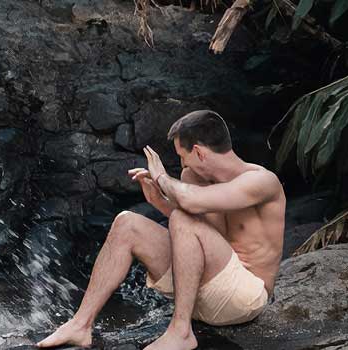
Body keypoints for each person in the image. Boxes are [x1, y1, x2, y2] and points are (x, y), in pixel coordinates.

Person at [37, 110, 285, 349]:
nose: (181, 163)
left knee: (183, 216)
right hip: (207, 287)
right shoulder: (194, 177)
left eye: (182, 156)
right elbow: (206, 237)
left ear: (198, 152)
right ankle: (81, 325)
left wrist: (161, 178)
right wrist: (159, 202)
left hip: (244, 297)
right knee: (127, 223)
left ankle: (181, 332)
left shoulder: (261, 181)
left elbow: (189, 210)